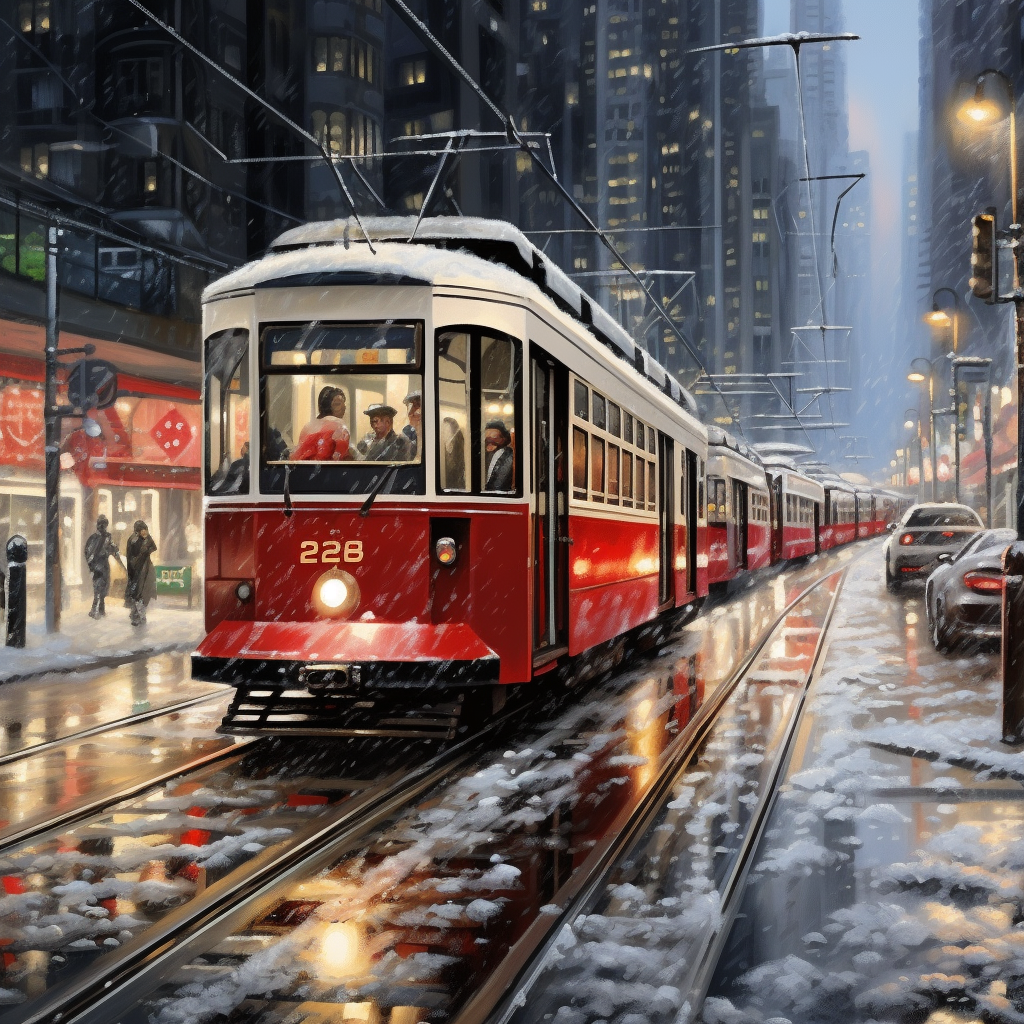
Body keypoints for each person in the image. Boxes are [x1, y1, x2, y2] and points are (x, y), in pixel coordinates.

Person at [291, 386, 352, 461]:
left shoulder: (308, 426)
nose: (344, 407)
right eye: (337, 404)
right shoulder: (339, 424)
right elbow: (341, 457)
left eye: (344, 404)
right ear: (327, 406)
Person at [84, 515, 124, 619]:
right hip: (98, 566)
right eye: (101, 524)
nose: (102, 527)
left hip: (104, 565)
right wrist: (91, 567)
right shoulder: (93, 538)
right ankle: (95, 610)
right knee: (98, 589)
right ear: (98, 525)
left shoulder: (107, 537)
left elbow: (113, 548)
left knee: (104, 588)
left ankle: (101, 609)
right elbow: (88, 553)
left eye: (104, 524)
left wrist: (115, 551)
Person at [125, 520, 157, 627]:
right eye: (142, 530)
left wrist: (146, 548)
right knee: (138, 592)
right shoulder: (132, 540)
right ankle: (137, 615)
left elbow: (153, 547)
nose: (145, 532)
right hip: (137, 569)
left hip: (147, 568)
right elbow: (130, 557)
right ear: (138, 531)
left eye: (146, 530)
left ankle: (137, 613)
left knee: (146, 591)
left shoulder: (147, 538)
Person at [484, 419, 514, 492]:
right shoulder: (483, 457)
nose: (490, 442)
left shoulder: (508, 457)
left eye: (494, 438)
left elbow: (498, 484)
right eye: (487, 439)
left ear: (504, 439)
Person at [442, 416, 466, 490]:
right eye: (443, 429)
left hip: (457, 487)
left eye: (447, 430)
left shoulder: (459, 447)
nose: (444, 432)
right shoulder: (442, 449)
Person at [402, 391, 421, 459]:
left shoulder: (434, 433)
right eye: (411, 406)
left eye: (417, 405)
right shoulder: (407, 432)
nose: (411, 413)